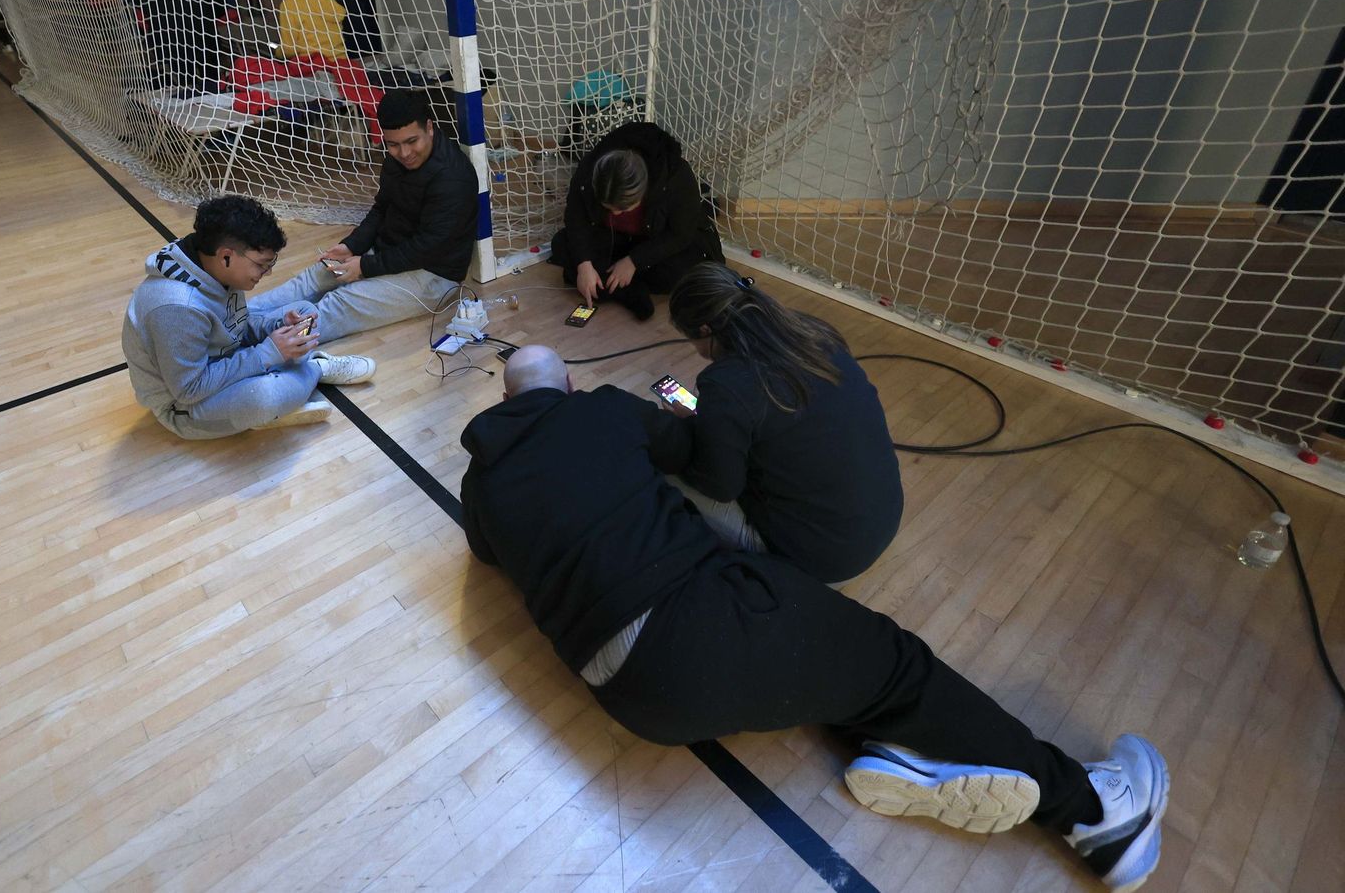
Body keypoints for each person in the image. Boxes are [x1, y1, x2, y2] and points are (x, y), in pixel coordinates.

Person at [459, 344, 1169, 893]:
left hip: (628, 697)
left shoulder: (480, 476)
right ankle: (1095, 813)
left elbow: (486, 554)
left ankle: (900, 752)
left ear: (505, 399)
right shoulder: (603, 408)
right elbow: (688, 456)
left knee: (816, 665)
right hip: (698, 622)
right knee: (895, 662)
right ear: (569, 384)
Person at [648, 263, 903, 583]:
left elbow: (720, 487)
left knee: (661, 467)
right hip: (883, 519)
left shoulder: (725, 383)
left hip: (823, 561)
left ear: (703, 330)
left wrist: (691, 431)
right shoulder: (816, 334)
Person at [122, 195, 375, 439]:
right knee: (264, 398)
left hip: (221, 361)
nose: (267, 272)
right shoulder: (177, 307)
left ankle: (289, 380)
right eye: (261, 264)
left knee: (305, 311)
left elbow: (234, 328)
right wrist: (267, 353)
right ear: (226, 256)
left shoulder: (208, 262)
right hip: (184, 407)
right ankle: (315, 368)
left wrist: (276, 325)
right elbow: (189, 389)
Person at [261, 90, 477, 343]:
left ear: (429, 128)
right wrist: (351, 246)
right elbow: (382, 209)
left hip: (433, 276)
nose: (405, 153)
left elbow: (429, 247)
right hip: (389, 253)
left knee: (338, 305)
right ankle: (238, 321)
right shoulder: (397, 160)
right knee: (316, 276)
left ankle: (258, 345)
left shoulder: (453, 177)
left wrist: (365, 266)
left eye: (412, 141)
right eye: (393, 144)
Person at [549, 121, 722, 320]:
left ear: (644, 191)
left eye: (622, 209)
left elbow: (681, 234)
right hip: (615, 239)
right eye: (608, 208)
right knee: (562, 245)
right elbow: (576, 218)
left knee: (684, 272)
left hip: (655, 241)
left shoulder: (676, 175)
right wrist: (584, 265)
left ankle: (617, 284)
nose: (615, 214)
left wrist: (634, 261)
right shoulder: (590, 167)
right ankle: (625, 289)